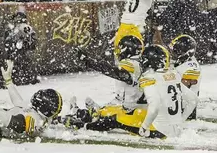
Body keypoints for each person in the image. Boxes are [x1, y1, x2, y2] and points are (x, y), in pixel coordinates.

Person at [66, 45, 197, 139]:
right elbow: (192, 100)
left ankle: (83, 125)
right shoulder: (173, 75)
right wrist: (180, 119)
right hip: (175, 128)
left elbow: (155, 106)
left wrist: (144, 128)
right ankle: (90, 114)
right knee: (123, 111)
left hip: (159, 129)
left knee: (115, 120)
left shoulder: (149, 78)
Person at [169, 35, 201, 120]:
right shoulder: (185, 61)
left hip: (182, 111)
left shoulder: (191, 68)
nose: (172, 53)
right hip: (178, 108)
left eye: (175, 51)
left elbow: (180, 89)